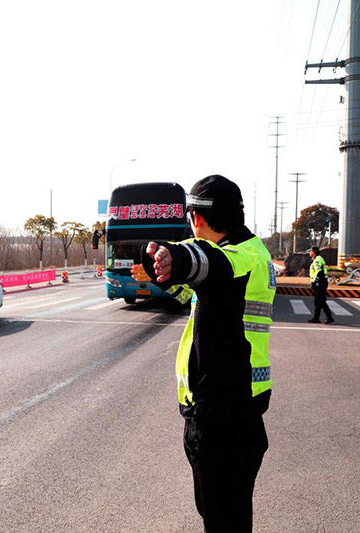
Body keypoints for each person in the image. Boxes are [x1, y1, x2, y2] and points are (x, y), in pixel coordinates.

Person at [133, 175, 273, 532]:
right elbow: (197, 282)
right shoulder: (251, 253)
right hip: (233, 407)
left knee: (225, 520)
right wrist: (163, 266)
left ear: (196, 219)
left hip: (223, 415)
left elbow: (207, 261)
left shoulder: (240, 258)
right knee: (226, 515)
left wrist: (176, 257)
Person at [308, 246, 334, 324]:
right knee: (317, 301)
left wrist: (316, 282)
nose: (309, 253)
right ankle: (316, 318)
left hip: (320, 282)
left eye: (310, 251)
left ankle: (329, 317)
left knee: (321, 301)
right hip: (319, 282)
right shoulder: (315, 259)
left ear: (314, 252)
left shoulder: (318, 259)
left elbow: (319, 272)